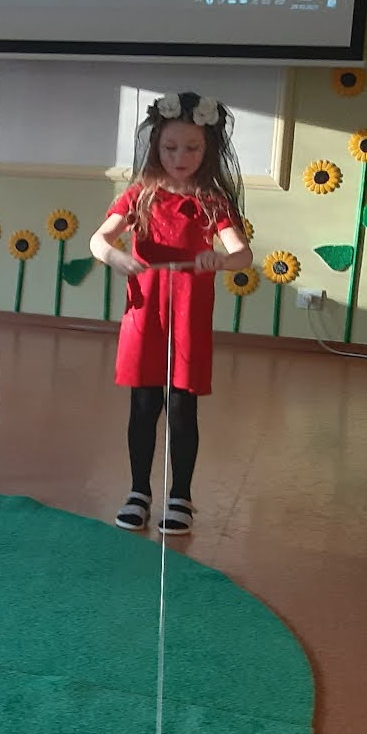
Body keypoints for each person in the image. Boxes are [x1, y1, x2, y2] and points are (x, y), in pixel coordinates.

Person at [88, 91, 252, 536]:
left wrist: (220, 260)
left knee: (182, 405)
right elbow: (99, 240)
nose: (180, 158)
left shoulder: (211, 200)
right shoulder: (139, 195)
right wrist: (115, 256)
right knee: (143, 404)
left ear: (208, 148)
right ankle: (138, 491)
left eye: (192, 148)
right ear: (156, 146)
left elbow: (243, 255)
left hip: (189, 313)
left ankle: (180, 495)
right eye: (171, 147)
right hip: (145, 312)